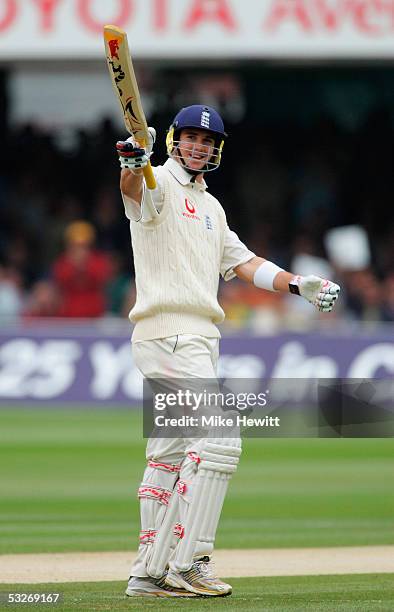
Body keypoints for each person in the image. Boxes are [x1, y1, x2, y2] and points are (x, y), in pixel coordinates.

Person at [116, 105, 340, 598]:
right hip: (169, 332)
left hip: (196, 338)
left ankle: (147, 574)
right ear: (174, 140)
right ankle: (188, 562)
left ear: (216, 150)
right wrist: (134, 163)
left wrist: (298, 283)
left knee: (170, 456)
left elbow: (244, 263)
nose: (199, 146)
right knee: (219, 439)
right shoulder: (156, 182)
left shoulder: (212, 208)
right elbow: (134, 195)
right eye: (191, 137)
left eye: (208, 140)